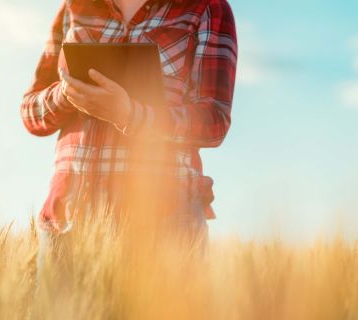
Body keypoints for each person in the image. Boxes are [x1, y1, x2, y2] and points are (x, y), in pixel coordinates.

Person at [20, 0, 237, 274]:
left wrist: (130, 115)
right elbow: (30, 113)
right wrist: (65, 94)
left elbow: (213, 120)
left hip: (163, 226)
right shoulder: (75, 7)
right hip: (69, 223)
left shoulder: (206, 8)